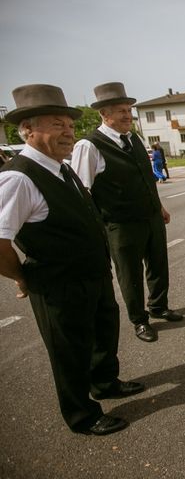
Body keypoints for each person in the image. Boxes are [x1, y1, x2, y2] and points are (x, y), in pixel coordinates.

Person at [0, 84, 144, 435]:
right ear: (28, 130)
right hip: (58, 285)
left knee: (101, 335)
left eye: (69, 124)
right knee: (70, 351)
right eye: (56, 124)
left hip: (92, 276)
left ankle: (105, 383)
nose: (68, 132)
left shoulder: (60, 168)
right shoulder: (17, 177)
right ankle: (82, 415)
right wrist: (21, 276)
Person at [71, 82, 183, 343]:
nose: (127, 116)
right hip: (120, 224)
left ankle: (158, 306)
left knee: (158, 266)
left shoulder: (134, 138)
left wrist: (160, 208)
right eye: (120, 111)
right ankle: (139, 320)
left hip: (151, 217)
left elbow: (145, 178)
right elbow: (82, 192)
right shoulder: (89, 146)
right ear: (103, 114)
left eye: (128, 110)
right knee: (129, 275)